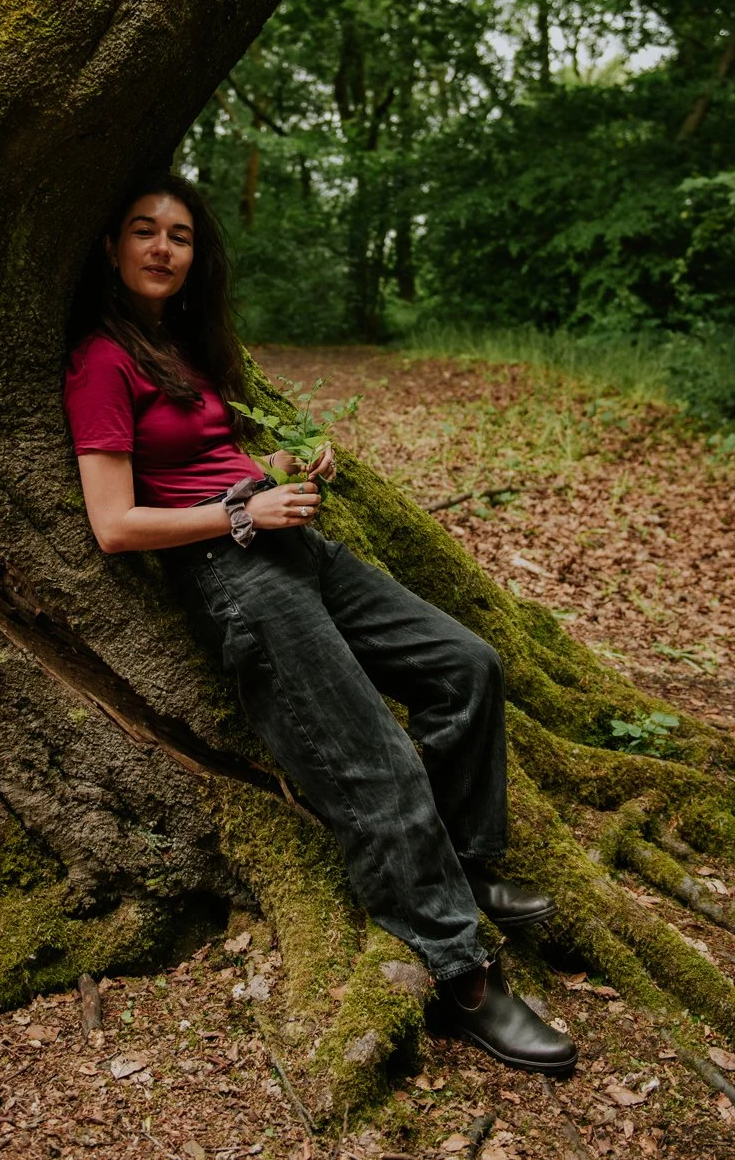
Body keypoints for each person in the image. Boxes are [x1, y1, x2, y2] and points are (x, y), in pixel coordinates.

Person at [62, 170, 576, 1076]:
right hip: (233, 572)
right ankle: (463, 976)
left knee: (467, 665)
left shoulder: (176, 344)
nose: (160, 248)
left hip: (286, 538)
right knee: (369, 757)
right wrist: (240, 516)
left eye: (178, 236)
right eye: (142, 230)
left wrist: (280, 466)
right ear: (111, 246)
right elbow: (114, 525)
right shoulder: (100, 360)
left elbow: (206, 456)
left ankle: (466, 864)